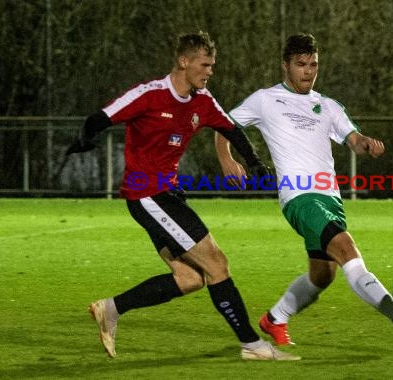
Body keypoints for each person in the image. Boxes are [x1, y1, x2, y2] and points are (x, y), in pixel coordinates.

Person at [66, 31, 300, 361]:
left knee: (190, 279)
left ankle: (110, 309)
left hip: (167, 195)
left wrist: (255, 163)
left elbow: (231, 129)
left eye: (212, 66)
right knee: (217, 264)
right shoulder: (149, 94)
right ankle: (252, 345)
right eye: (205, 65)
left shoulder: (203, 101)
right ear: (184, 61)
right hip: (148, 195)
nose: (210, 72)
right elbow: (101, 118)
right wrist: (85, 139)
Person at [215, 33, 393, 346]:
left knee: (322, 275)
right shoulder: (265, 99)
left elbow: (353, 139)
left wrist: (366, 143)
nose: (308, 71)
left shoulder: (328, 106)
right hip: (299, 198)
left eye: (313, 64)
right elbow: (224, 125)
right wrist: (226, 159)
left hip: (331, 199)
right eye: (301, 64)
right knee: (346, 249)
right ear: (285, 65)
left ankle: (274, 318)